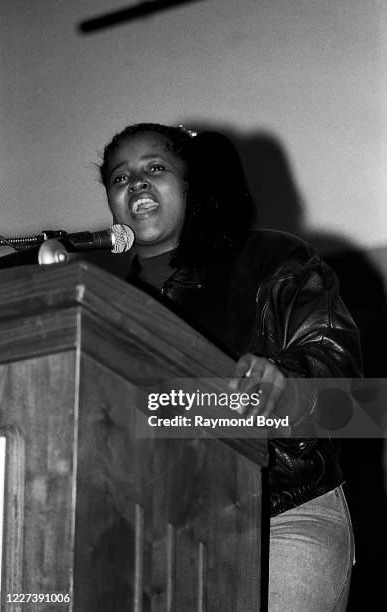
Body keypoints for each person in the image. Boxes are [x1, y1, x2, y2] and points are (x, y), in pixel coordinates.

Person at [100, 123, 362, 611]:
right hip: (167, 532)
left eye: (155, 168)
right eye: (119, 178)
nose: (135, 183)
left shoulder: (273, 258)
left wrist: (286, 388)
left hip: (284, 513)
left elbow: (353, 404)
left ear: (192, 184)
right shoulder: (110, 308)